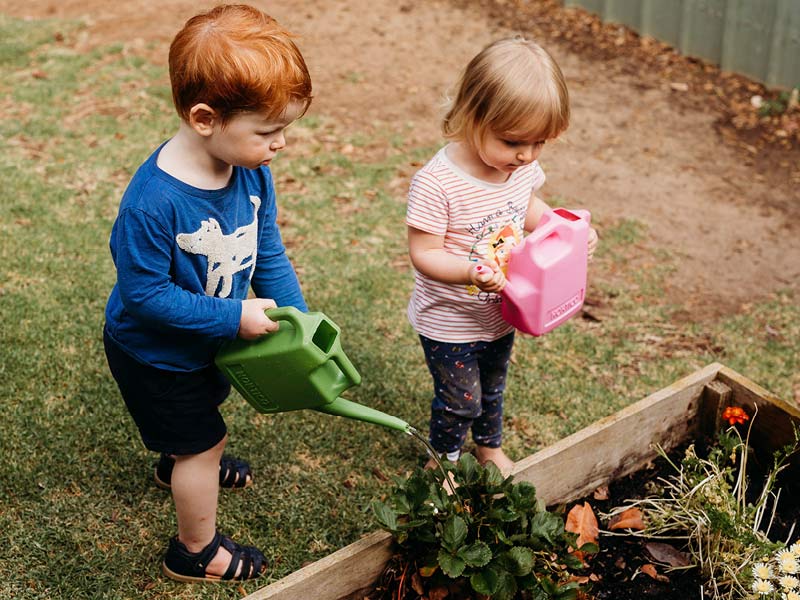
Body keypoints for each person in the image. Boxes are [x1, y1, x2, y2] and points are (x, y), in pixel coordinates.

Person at [102, 4, 313, 583]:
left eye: (285, 129)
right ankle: (195, 551)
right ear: (203, 118)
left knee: (200, 422)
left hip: (208, 340)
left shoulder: (248, 170)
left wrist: (298, 319)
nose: (281, 144)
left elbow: (265, 248)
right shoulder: (153, 203)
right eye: (268, 131)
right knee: (207, 443)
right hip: (156, 353)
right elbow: (144, 297)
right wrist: (231, 316)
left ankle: (178, 460)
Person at [406, 36, 598, 477]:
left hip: (503, 310)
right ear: (473, 117)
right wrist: (470, 271)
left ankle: (488, 448)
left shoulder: (520, 167)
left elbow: (528, 206)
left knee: (493, 385)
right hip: (450, 319)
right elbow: (424, 252)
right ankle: (444, 463)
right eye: (513, 141)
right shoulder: (438, 184)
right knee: (461, 400)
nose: (527, 155)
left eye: (540, 144)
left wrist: (564, 230)